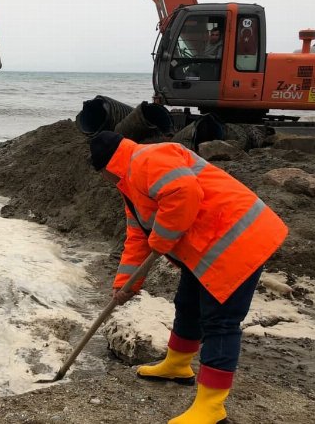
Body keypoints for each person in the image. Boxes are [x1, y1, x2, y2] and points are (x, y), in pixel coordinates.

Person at [89, 131, 288, 424]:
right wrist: (125, 286)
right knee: (187, 303)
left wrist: (161, 241)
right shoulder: (130, 184)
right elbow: (137, 237)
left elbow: (184, 192)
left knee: (220, 322)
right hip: (207, 248)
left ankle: (211, 407)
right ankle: (177, 365)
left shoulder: (147, 159)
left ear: (106, 167)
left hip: (239, 241)